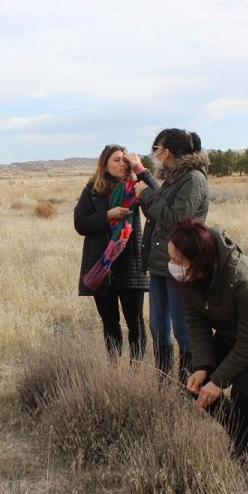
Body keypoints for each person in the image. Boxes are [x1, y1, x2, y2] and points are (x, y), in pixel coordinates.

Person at [167, 216, 248, 459]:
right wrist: (203, 366)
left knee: (244, 391)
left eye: (178, 260)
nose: (172, 264)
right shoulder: (188, 278)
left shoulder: (240, 276)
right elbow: (197, 323)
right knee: (196, 383)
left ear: (198, 261)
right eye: (171, 258)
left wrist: (218, 381)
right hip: (235, 331)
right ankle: (240, 437)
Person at [133, 129, 210, 386]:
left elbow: (179, 221)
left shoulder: (193, 179)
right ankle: (164, 382)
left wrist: (146, 195)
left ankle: (187, 386)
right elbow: (160, 214)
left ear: (167, 151)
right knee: (158, 327)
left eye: (157, 149)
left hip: (179, 264)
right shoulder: (174, 177)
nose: (155, 154)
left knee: (182, 329)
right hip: (159, 263)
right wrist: (145, 198)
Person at [74, 144, 157, 360]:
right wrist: (107, 215)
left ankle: (137, 371)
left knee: (136, 323)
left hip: (129, 263)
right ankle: (116, 371)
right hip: (102, 266)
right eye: (116, 159)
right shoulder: (92, 189)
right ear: (105, 163)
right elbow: (80, 223)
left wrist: (142, 172)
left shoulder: (136, 187)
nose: (121, 163)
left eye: (124, 160)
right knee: (110, 324)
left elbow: (160, 202)